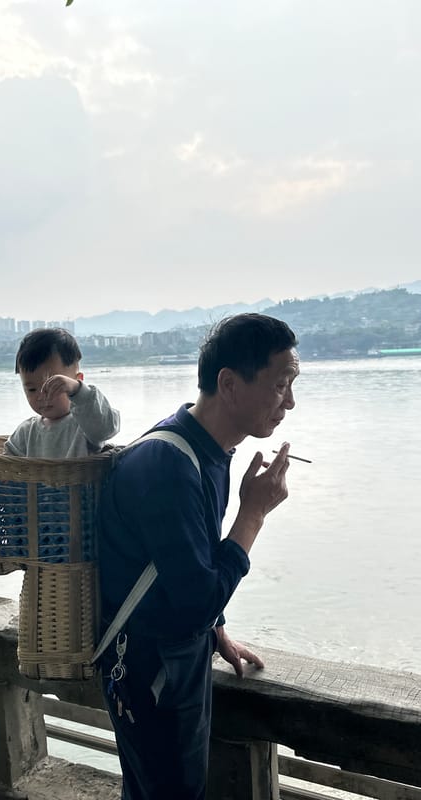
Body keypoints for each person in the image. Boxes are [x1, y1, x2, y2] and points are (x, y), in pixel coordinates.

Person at [97, 312, 299, 800]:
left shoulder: (208, 450)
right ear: (229, 384)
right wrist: (253, 514)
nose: (289, 403)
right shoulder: (168, 464)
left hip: (172, 660)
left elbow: (188, 559)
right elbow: (193, 599)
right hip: (151, 673)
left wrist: (217, 628)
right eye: (279, 385)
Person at [5, 327, 120, 457]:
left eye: (53, 386)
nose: (42, 396)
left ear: (77, 381)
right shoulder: (26, 432)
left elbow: (107, 429)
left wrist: (78, 390)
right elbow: (8, 463)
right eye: (32, 389)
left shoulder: (85, 425)